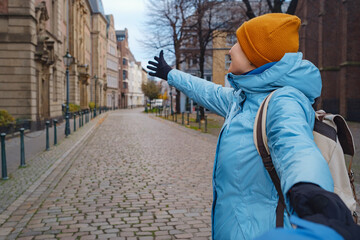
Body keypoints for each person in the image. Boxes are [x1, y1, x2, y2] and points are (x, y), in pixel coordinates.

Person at [147, 13, 360, 240]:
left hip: (261, 231)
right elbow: (210, 92)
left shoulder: (283, 100)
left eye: (239, 43)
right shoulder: (245, 98)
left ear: (256, 56)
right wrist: (171, 74)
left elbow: (295, 146)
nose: (230, 49)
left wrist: (311, 192)